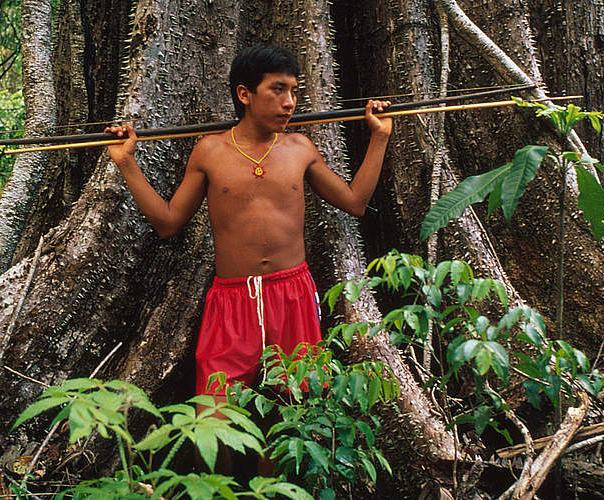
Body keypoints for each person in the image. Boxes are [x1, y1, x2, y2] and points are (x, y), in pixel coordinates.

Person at [104, 43, 391, 403]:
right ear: (244, 94)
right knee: (215, 408)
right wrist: (127, 163)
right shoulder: (211, 151)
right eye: (278, 89)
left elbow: (355, 202)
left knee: (291, 406)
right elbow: (168, 222)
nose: (290, 102)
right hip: (232, 300)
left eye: (294, 92)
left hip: (292, 295)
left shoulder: (300, 147)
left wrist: (379, 137)